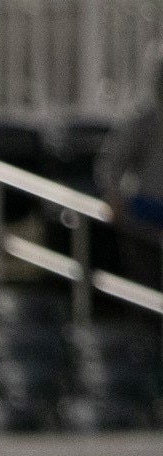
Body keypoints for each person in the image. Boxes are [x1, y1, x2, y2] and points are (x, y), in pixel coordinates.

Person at [97, 44, 163, 289]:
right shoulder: (145, 121)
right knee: (147, 287)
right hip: (148, 213)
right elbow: (111, 162)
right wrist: (114, 196)